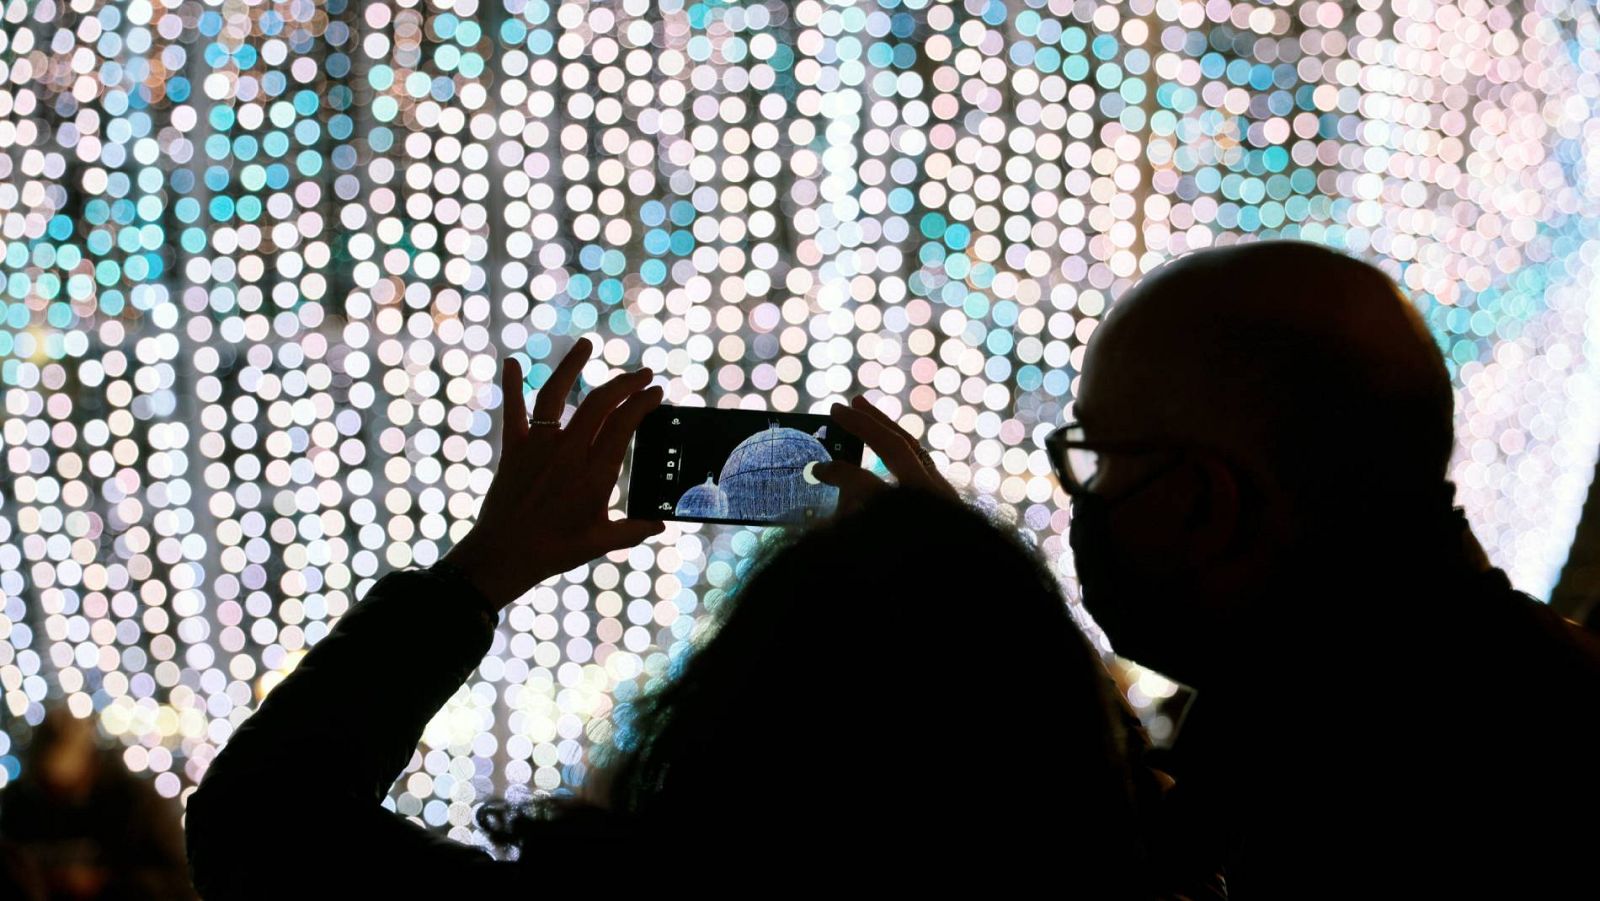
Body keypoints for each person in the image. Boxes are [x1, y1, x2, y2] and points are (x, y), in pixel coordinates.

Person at [185, 338, 1157, 897]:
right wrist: (976, 595)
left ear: (728, 708)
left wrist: (481, 571)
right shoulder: (1145, 875)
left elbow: (262, 821)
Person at [1016, 241, 1600, 896]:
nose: (1080, 495)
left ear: (1205, 499)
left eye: (1095, 459)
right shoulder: (1282, 716)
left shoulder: (1367, 814)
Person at [0, 706, 195, 901]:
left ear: (89, 765)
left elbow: (176, 882)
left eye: (64, 786)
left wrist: (103, 884)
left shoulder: (136, 805)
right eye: (46, 786)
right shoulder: (18, 805)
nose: (56, 797)